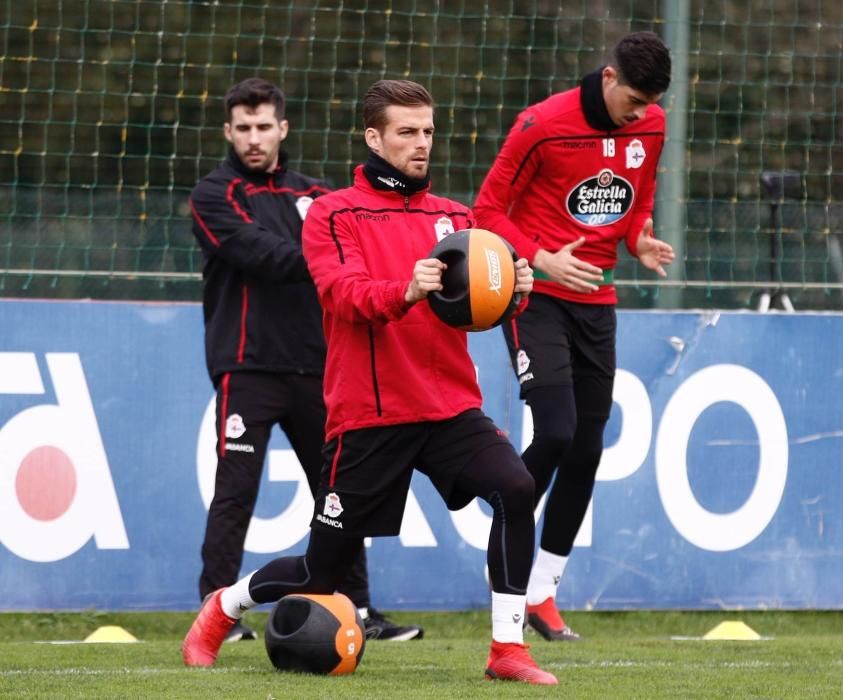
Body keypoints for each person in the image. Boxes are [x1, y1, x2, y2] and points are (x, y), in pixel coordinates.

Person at [182, 78, 558, 686]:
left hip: (448, 410)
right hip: (370, 417)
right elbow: (341, 294)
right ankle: (223, 605)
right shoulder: (332, 214)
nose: (421, 144)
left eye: (428, 131)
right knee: (319, 575)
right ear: (373, 137)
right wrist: (404, 289)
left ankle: (507, 651)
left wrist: (516, 292)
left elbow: (482, 309)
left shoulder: (456, 218)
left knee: (516, 489)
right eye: (407, 132)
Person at [189, 77, 422, 643]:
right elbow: (260, 254)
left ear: (282, 128)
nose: (253, 138)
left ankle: (358, 609)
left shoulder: (318, 196)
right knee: (236, 490)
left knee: (340, 494)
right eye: (242, 128)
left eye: (263, 126)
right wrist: (329, 261)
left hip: (319, 369)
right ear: (228, 131)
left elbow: (362, 250)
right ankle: (218, 611)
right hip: (247, 368)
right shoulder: (213, 195)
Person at [473, 31, 676, 641]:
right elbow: (485, 211)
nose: (641, 113)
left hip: (597, 299)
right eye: (634, 99)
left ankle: (543, 595)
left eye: (650, 103)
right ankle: (509, 514)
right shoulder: (541, 125)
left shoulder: (652, 124)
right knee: (556, 430)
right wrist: (540, 258)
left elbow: (637, 201)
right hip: (534, 295)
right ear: (609, 78)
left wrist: (638, 237)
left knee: (587, 445)